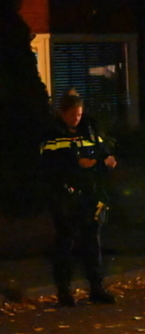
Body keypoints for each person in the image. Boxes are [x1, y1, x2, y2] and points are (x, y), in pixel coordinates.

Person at [39, 93, 118, 307]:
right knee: (65, 242)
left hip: (90, 194)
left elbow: (103, 151)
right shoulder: (53, 135)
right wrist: (76, 164)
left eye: (79, 114)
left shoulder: (89, 131)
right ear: (62, 114)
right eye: (73, 115)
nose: (77, 119)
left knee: (92, 241)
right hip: (65, 196)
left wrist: (107, 160)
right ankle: (64, 291)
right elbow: (48, 165)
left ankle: (96, 287)